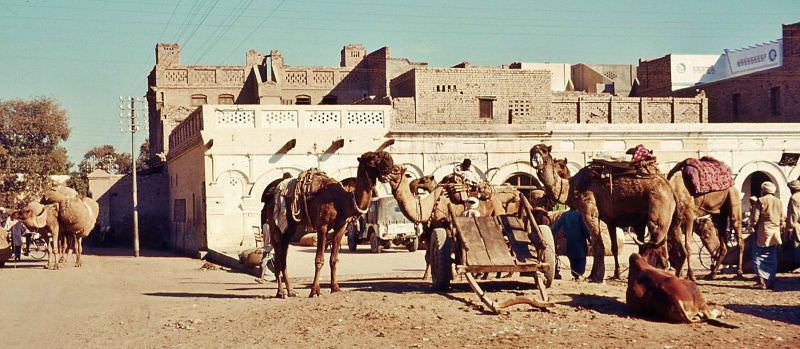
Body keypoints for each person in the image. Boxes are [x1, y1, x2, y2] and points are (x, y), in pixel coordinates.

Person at [751, 181, 784, 289]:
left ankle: (762, 281)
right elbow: (782, 217)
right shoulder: (778, 201)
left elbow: (755, 218)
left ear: (763, 190)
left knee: (758, 255)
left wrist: (751, 226)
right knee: (772, 255)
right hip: (775, 230)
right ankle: (771, 279)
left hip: (764, 230)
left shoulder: (761, 200)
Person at [550, 207, 590, 281]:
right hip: (580, 243)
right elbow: (584, 228)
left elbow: (555, 227)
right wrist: (589, 238)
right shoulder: (580, 215)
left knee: (573, 261)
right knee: (581, 261)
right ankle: (578, 275)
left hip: (570, 243)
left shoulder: (565, 215)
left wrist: (548, 235)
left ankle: (576, 276)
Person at [786, 180, 800, 272]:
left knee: (797, 245)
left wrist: (790, 229)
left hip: (798, 225)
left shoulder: (794, 198)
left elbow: (793, 214)